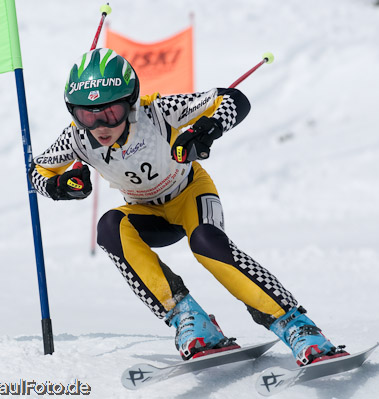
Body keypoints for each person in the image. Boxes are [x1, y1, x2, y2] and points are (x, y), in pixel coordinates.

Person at [29, 48, 348, 366]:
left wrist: (205, 130)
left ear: (131, 102)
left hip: (190, 195)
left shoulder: (157, 112)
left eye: (111, 112)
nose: (100, 124)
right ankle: (188, 319)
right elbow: (37, 173)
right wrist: (61, 187)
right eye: (88, 115)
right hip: (148, 213)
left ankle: (296, 325)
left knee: (206, 243)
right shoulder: (76, 139)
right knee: (110, 227)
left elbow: (234, 100)